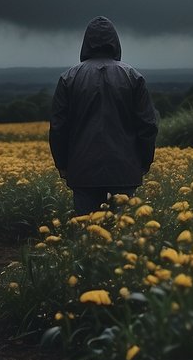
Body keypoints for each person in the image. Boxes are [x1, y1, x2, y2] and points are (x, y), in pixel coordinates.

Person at [49, 16, 159, 215]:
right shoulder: (133, 76)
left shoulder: (68, 78)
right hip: (125, 168)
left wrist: (62, 165)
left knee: (88, 235)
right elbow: (148, 125)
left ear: (86, 43)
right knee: (123, 234)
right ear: (115, 42)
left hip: (82, 169)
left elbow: (58, 128)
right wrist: (144, 162)